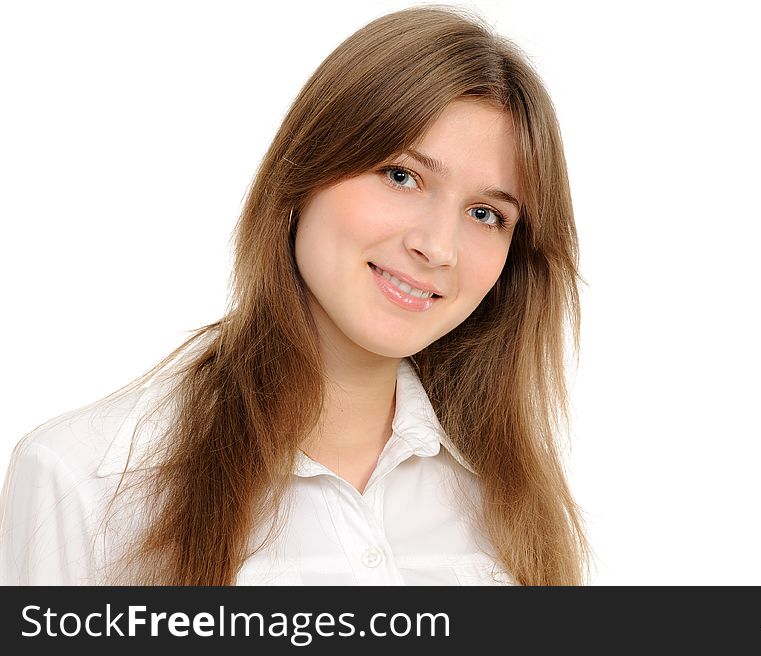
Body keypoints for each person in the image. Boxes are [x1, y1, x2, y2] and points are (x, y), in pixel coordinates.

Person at [0, 5, 587, 586]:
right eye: (402, 176)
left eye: (486, 213)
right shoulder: (85, 481)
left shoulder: (512, 499)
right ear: (305, 170)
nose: (437, 247)